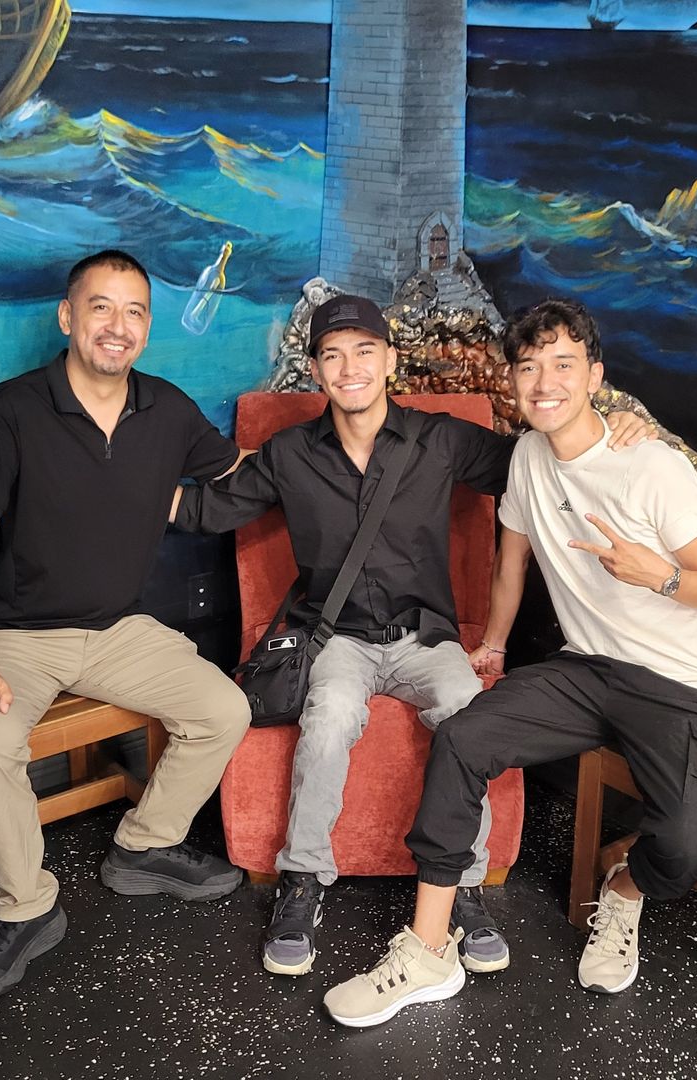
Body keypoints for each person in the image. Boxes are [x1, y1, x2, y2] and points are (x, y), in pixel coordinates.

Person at [172, 294, 651, 978]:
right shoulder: (289, 453)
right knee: (330, 716)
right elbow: (208, 508)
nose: (350, 367)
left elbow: (542, 460)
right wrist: (119, 486)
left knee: (468, 714)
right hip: (336, 637)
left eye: (365, 351)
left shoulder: (440, 440)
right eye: (333, 355)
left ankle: (461, 885)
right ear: (316, 369)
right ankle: (301, 880)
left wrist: (612, 426)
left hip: (427, 638)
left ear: (390, 360)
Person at [323, 297, 697, 1027]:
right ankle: (428, 950)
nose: (545, 382)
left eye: (563, 365)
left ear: (595, 376)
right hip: (584, 671)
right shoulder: (527, 460)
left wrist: (660, 575)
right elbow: (509, 563)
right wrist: (493, 645)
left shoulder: (652, 466)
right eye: (528, 367)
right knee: (462, 737)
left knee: (685, 847)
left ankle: (624, 891)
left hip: (674, 683)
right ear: (513, 381)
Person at [0, 249, 252, 999]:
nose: (118, 326)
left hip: (119, 629)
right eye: (101, 307)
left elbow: (240, 472)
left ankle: (144, 847)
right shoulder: (11, 410)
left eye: (134, 311)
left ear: (147, 327)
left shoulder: (168, 410)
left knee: (224, 709)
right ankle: (25, 908)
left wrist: (339, 451)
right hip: (20, 637)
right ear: (67, 317)